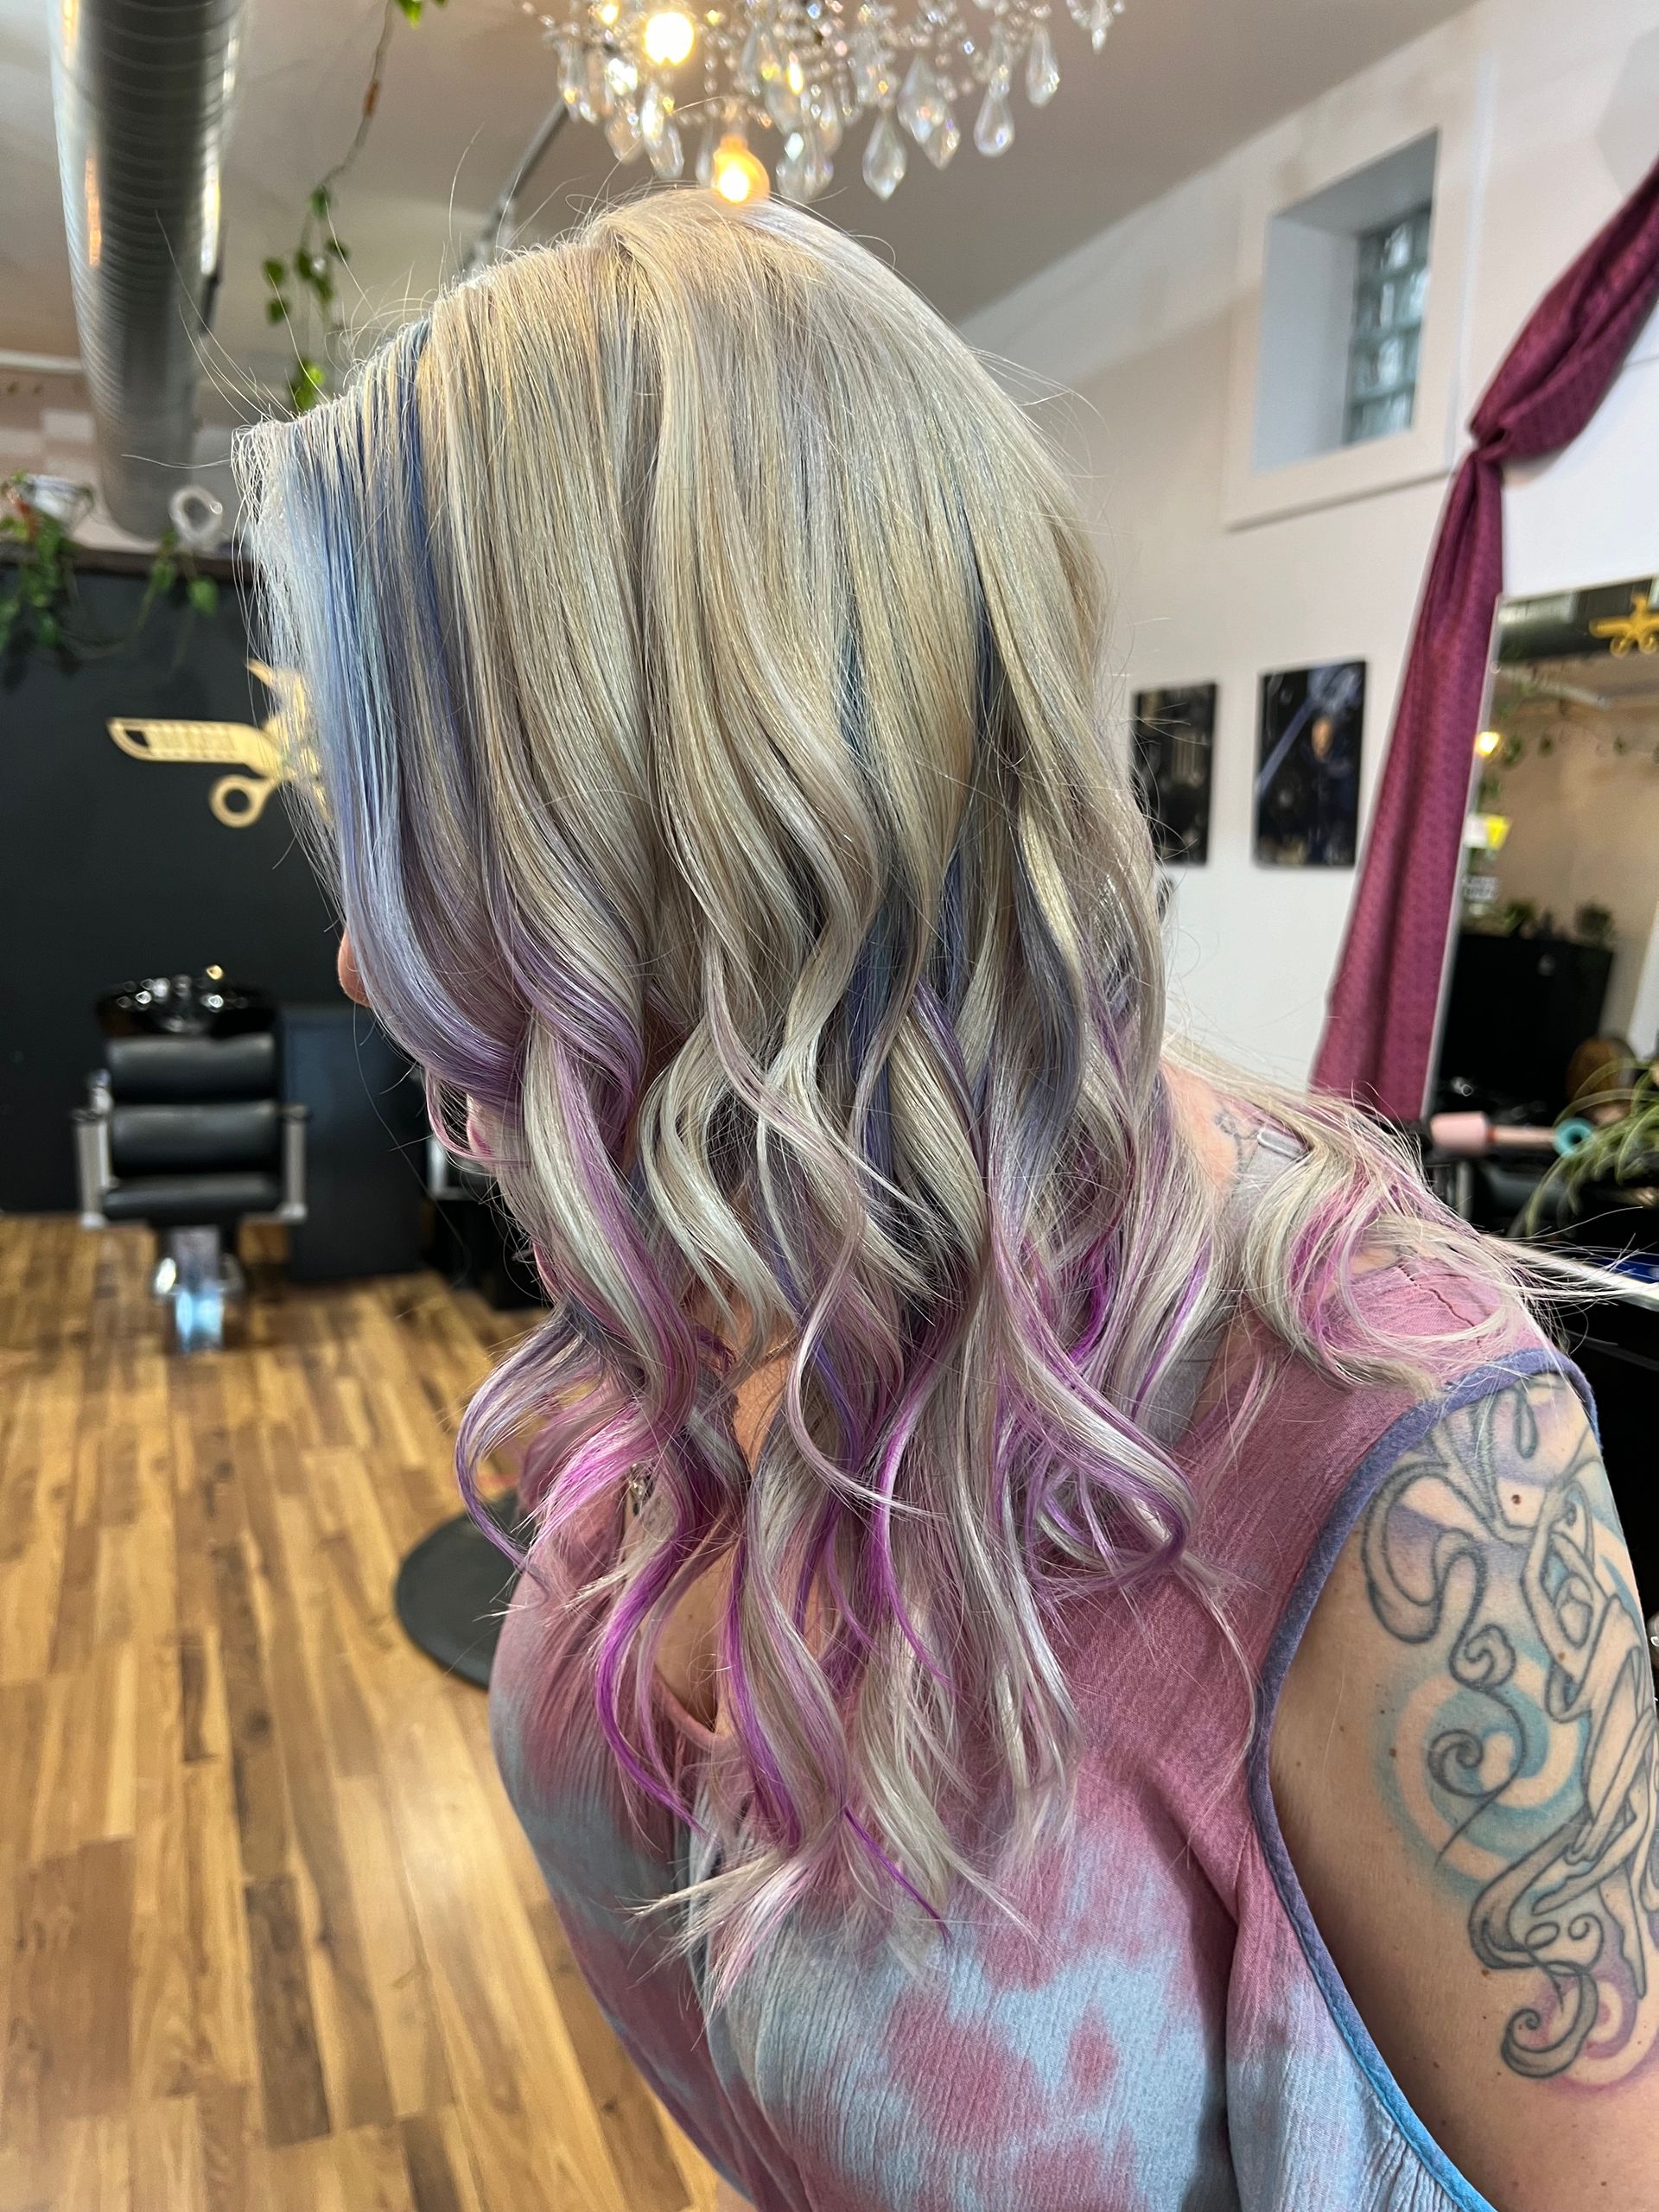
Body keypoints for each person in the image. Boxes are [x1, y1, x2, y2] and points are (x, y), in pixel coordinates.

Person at [243, 194, 1658, 2212]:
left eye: (430, 841)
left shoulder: (1404, 1455)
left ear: (684, 813)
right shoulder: (716, 1257)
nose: (374, 970)